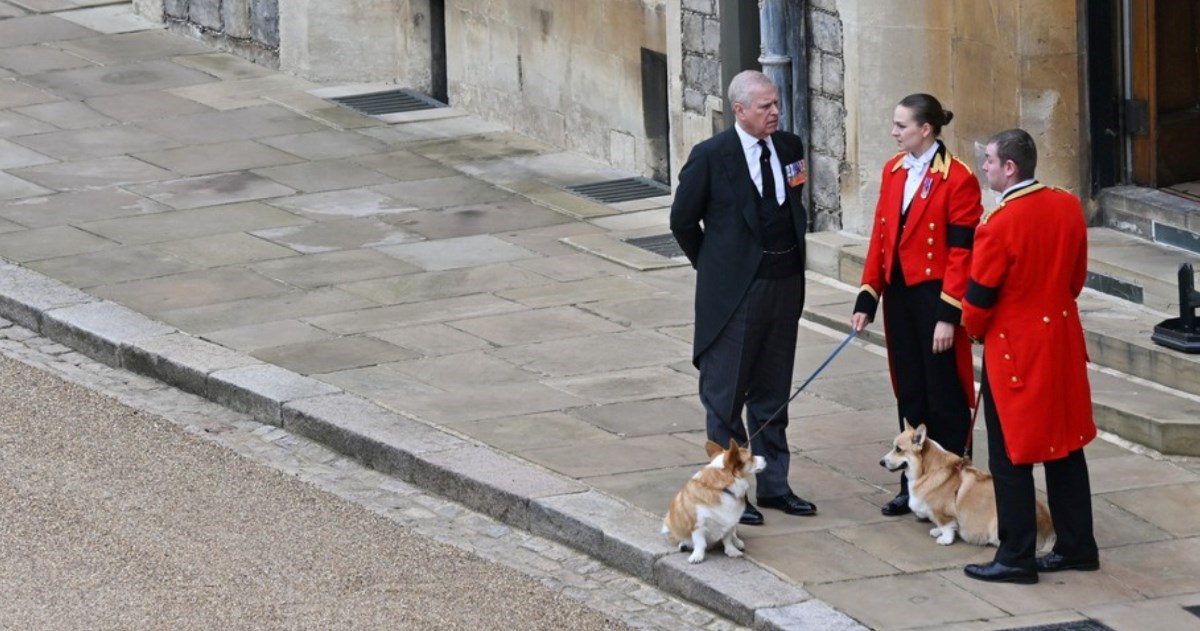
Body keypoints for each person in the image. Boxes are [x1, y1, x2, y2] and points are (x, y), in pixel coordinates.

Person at [670, 70, 815, 525]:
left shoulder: (789, 148)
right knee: (726, 395)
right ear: (739, 110)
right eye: (764, 106)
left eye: (776, 104)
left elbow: (794, 204)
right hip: (735, 294)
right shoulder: (711, 156)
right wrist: (717, 269)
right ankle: (732, 492)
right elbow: (682, 221)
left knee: (772, 393)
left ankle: (774, 485)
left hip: (784, 284)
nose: (775, 112)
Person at [962, 129, 1099, 584]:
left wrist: (976, 331)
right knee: (1065, 447)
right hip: (1060, 343)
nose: (985, 167)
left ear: (1010, 168)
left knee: (1010, 457)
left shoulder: (997, 224)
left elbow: (977, 306)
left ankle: (1016, 556)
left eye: (990, 161)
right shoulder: (1067, 205)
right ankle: (1078, 545)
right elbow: (1075, 278)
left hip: (1016, 353)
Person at [850, 94, 981, 516]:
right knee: (909, 390)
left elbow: (963, 253)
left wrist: (949, 315)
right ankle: (915, 483)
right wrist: (868, 294)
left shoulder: (958, 177)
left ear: (926, 129)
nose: (894, 132)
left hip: (936, 297)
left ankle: (955, 484)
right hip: (901, 297)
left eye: (901, 125)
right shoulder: (893, 170)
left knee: (943, 394)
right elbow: (881, 237)